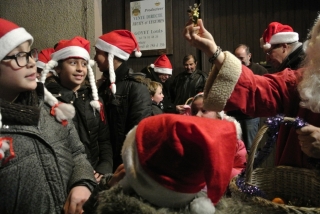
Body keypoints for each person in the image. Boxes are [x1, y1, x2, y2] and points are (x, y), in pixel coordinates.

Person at [183, 17, 320, 169]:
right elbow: (258, 88)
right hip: (295, 182)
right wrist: (214, 52)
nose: (267, 57)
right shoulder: (303, 79)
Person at [0, 18, 96, 213]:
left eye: (30, 53)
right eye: (19, 55)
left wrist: (83, 182)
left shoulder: (49, 109)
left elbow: (77, 153)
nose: (32, 62)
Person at [41, 36, 113, 182]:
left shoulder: (95, 100)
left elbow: (104, 140)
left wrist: (105, 166)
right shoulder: (48, 101)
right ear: (58, 68)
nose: (80, 69)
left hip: (95, 174)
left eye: (84, 64)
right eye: (73, 63)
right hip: (65, 178)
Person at [94, 29, 152, 172]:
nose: (94, 58)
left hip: (123, 167)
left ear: (111, 55)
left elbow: (137, 135)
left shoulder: (136, 89)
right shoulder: (102, 86)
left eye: (98, 53)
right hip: (103, 165)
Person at [190, 92, 247, 178]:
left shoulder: (235, 142)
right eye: (194, 112)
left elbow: (240, 170)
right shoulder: (188, 138)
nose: (197, 115)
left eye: (204, 110)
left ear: (218, 114)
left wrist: (217, 173)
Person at [229, 44, 268, 152]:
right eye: (236, 58)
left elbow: (265, 93)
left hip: (250, 116)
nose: (238, 61)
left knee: (251, 149)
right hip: (233, 115)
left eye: (241, 58)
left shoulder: (260, 71)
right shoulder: (230, 70)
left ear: (249, 56)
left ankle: (251, 169)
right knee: (235, 148)